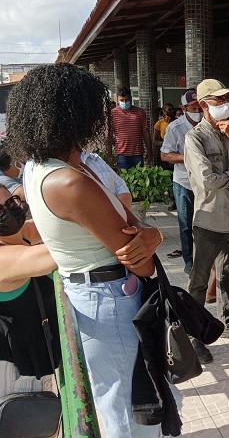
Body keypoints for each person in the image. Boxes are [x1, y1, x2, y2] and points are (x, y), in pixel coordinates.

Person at [7, 64, 166, 438]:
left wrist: (153, 234)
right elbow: (135, 252)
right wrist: (149, 248)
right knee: (130, 406)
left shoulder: (44, 168)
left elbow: (131, 222)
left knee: (120, 396)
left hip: (97, 292)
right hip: (110, 296)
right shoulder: (68, 181)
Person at [184, 78, 229, 357]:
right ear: (204, 105)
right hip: (209, 219)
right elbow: (208, 181)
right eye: (218, 100)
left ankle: (228, 321)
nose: (225, 105)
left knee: (228, 274)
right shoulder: (195, 138)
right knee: (200, 280)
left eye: (227, 99)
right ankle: (193, 334)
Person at [0, 185, 59, 401]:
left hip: (41, 364)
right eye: (0, 211)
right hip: (17, 376)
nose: (9, 212)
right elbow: (61, 252)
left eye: (11, 202)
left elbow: (60, 227)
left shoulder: (19, 234)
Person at [161, 90, 200, 274]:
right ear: (184, 108)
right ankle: (189, 261)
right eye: (193, 108)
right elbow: (165, 154)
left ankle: (202, 259)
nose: (197, 111)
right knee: (185, 224)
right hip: (184, 182)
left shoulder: (208, 125)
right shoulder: (175, 128)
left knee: (203, 224)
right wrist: (188, 158)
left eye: (200, 107)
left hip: (204, 183)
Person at [109, 87, 153, 170]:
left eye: (127, 100)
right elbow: (110, 134)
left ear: (131, 99)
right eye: (122, 100)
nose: (124, 102)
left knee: (139, 180)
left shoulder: (140, 112)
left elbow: (145, 132)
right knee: (124, 180)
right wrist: (109, 154)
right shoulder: (113, 113)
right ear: (117, 99)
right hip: (121, 154)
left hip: (137, 154)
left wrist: (149, 151)